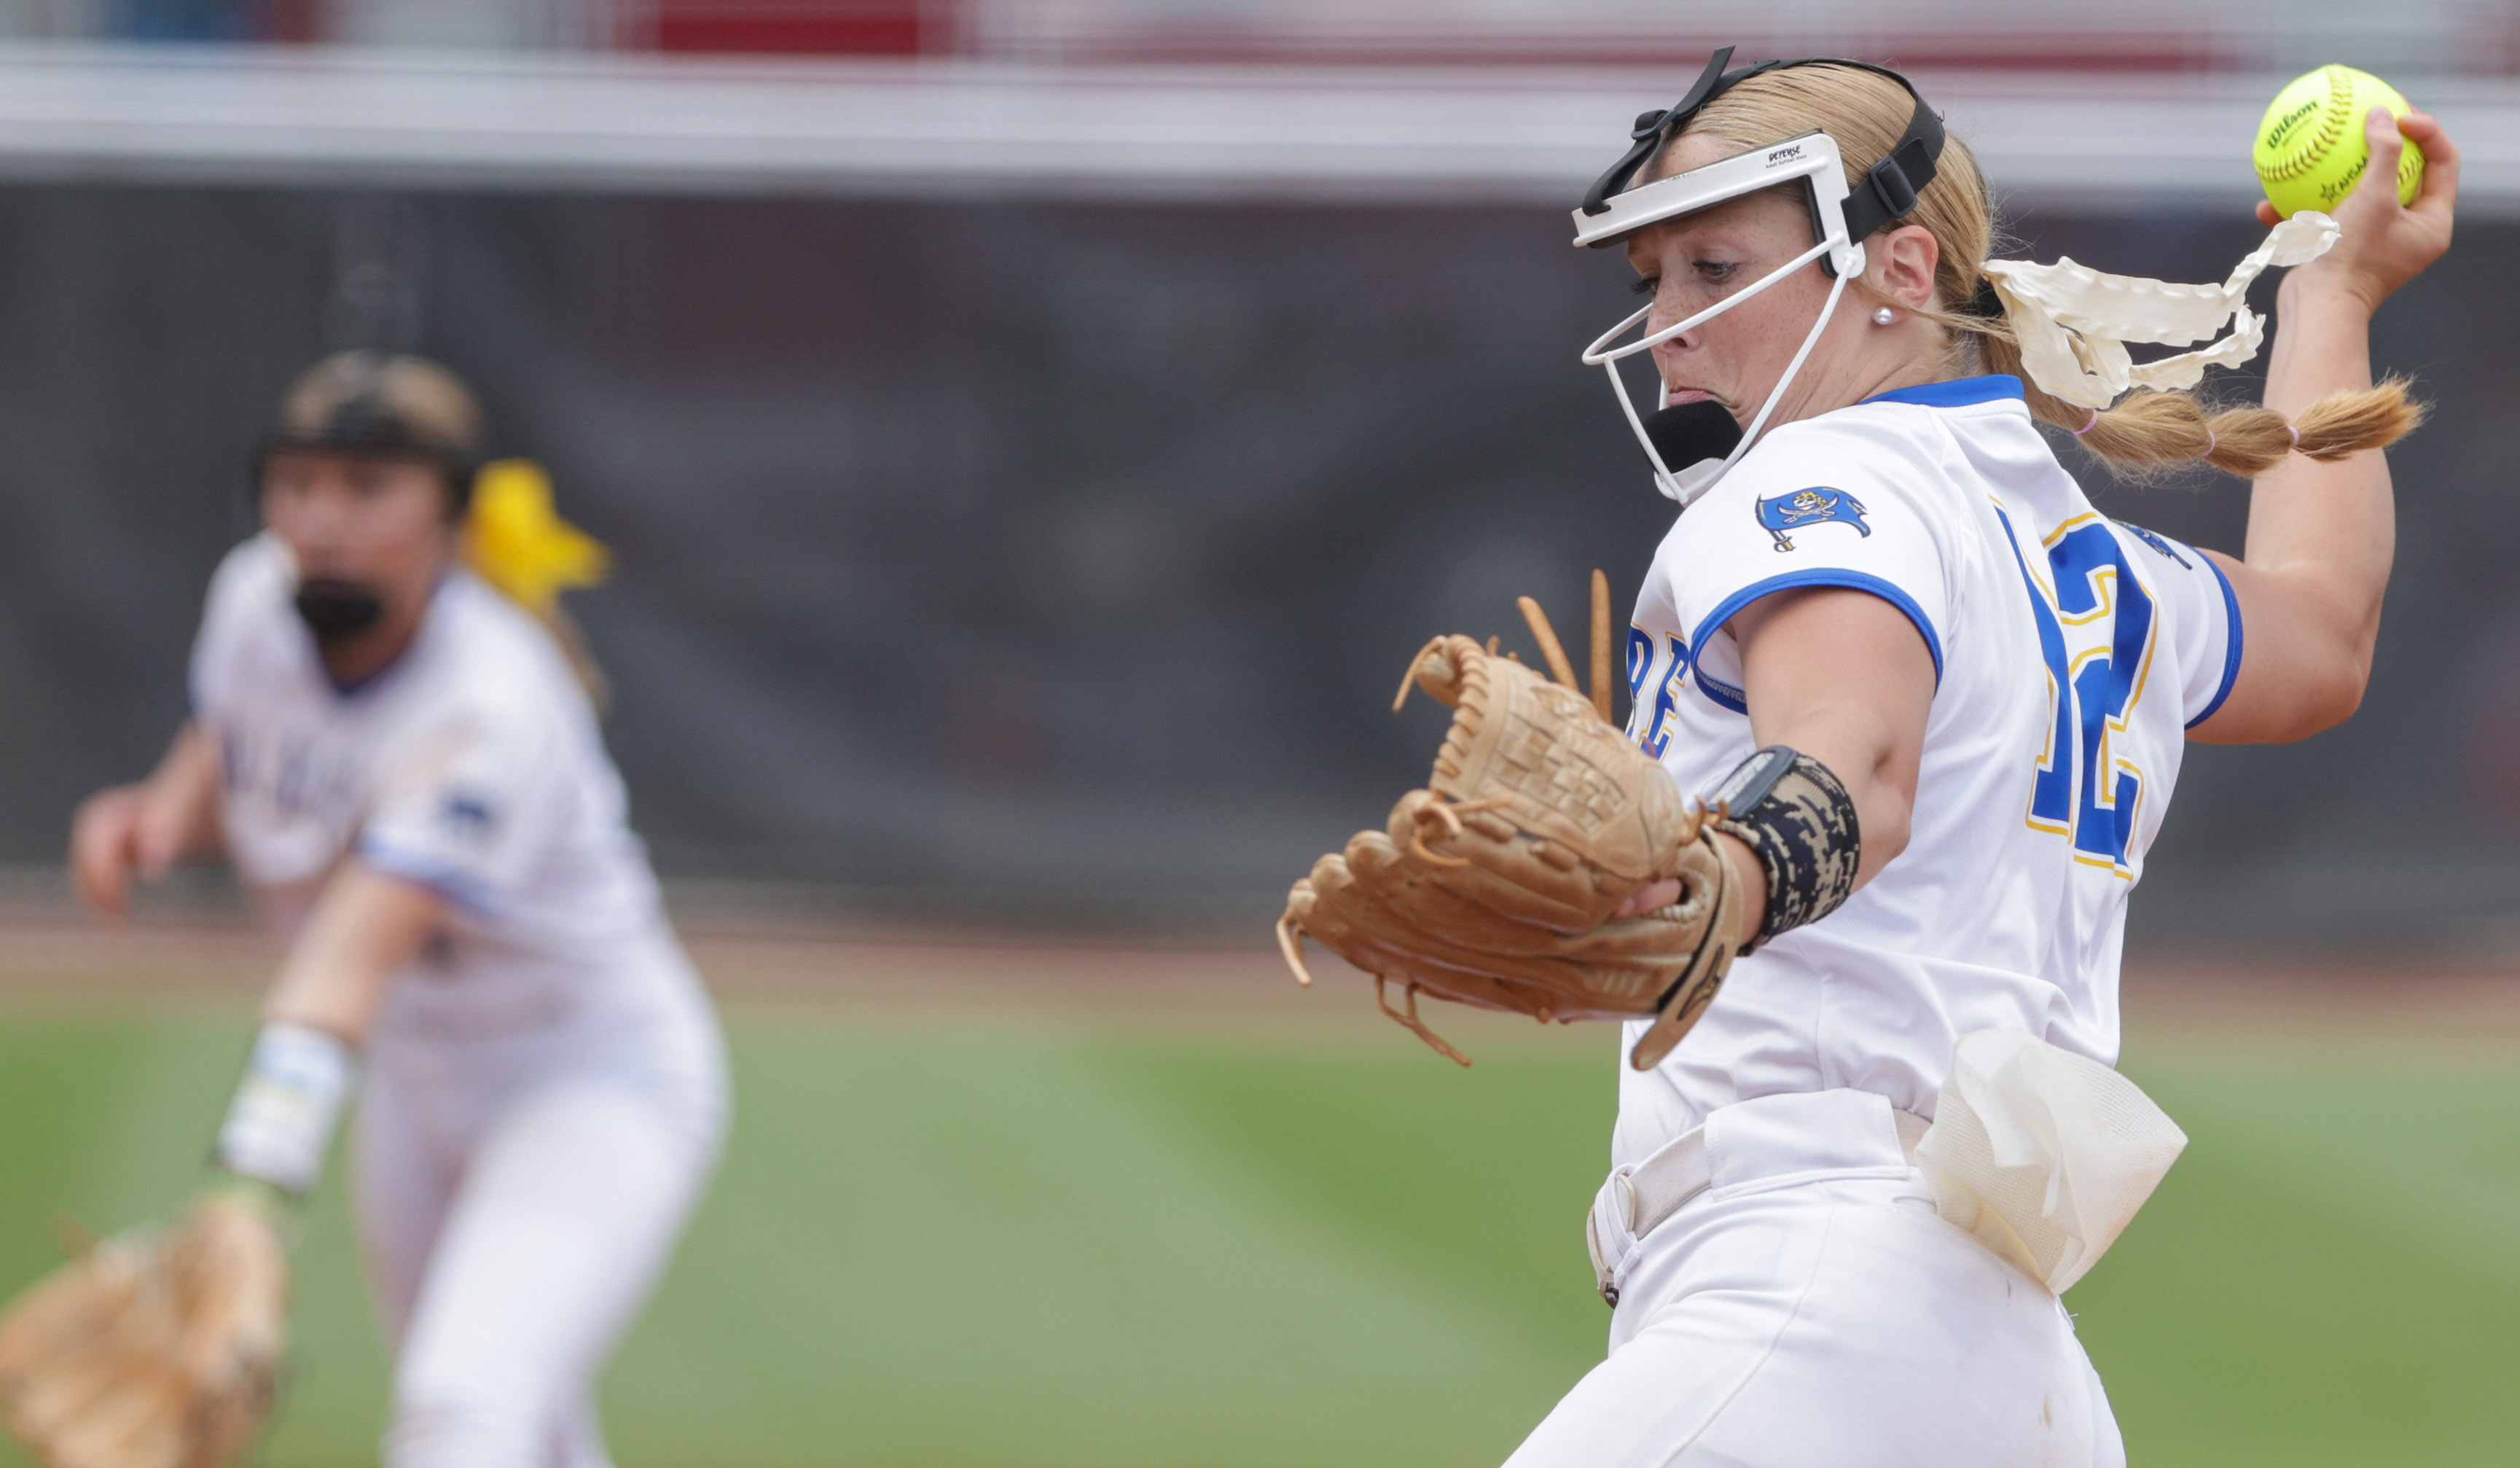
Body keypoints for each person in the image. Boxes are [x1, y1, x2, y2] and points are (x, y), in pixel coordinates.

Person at [1501, 51, 2454, 1467]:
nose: (1669, 321)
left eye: (1713, 265)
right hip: (1994, 1345)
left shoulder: (1822, 482)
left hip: (1811, 1295)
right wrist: (2335, 294)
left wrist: (1717, 873)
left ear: (1895, 266)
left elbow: (1854, 763)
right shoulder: (2077, 551)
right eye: (1654, 276)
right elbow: (2320, 630)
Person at [67, 352, 728, 1468]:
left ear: (452, 516)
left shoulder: (488, 701)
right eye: (297, 481)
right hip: (421, 1085)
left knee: (460, 1409)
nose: (321, 519)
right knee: (529, 1419)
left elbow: (351, 955)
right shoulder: (253, 601)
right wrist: (165, 812)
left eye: (368, 487)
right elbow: (233, 731)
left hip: (583, 1080)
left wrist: (252, 1184)